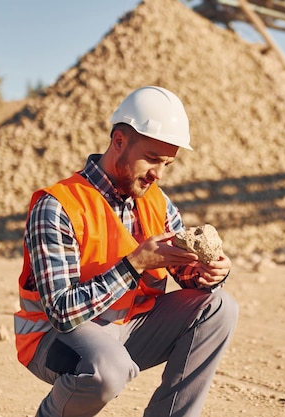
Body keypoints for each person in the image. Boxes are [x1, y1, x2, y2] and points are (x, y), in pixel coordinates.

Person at [14, 85, 239, 417]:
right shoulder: (58, 205)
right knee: (108, 369)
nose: (158, 174)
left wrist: (209, 273)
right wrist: (135, 264)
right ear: (118, 141)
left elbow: (186, 273)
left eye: (167, 163)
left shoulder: (158, 203)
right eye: (152, 158)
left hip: (126, 328)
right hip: (55, 336)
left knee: (219, 307)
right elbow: (61, 312)